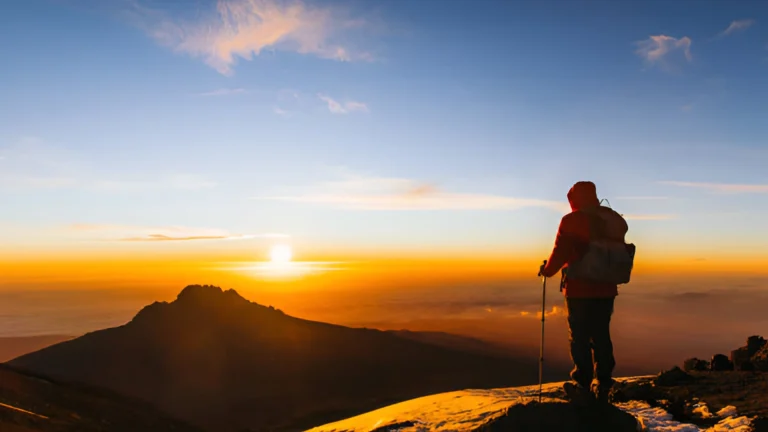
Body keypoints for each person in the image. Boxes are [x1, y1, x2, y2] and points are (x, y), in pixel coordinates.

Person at [538, 181, 629, 404]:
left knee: (579, 337)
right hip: (607, 288)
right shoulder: (613, 219)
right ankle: (605, 382)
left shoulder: (572, 220)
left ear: (574, 199)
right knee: (601, 335)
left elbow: (560, 252)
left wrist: (547, 271)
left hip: (579, 288)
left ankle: (583, 384)